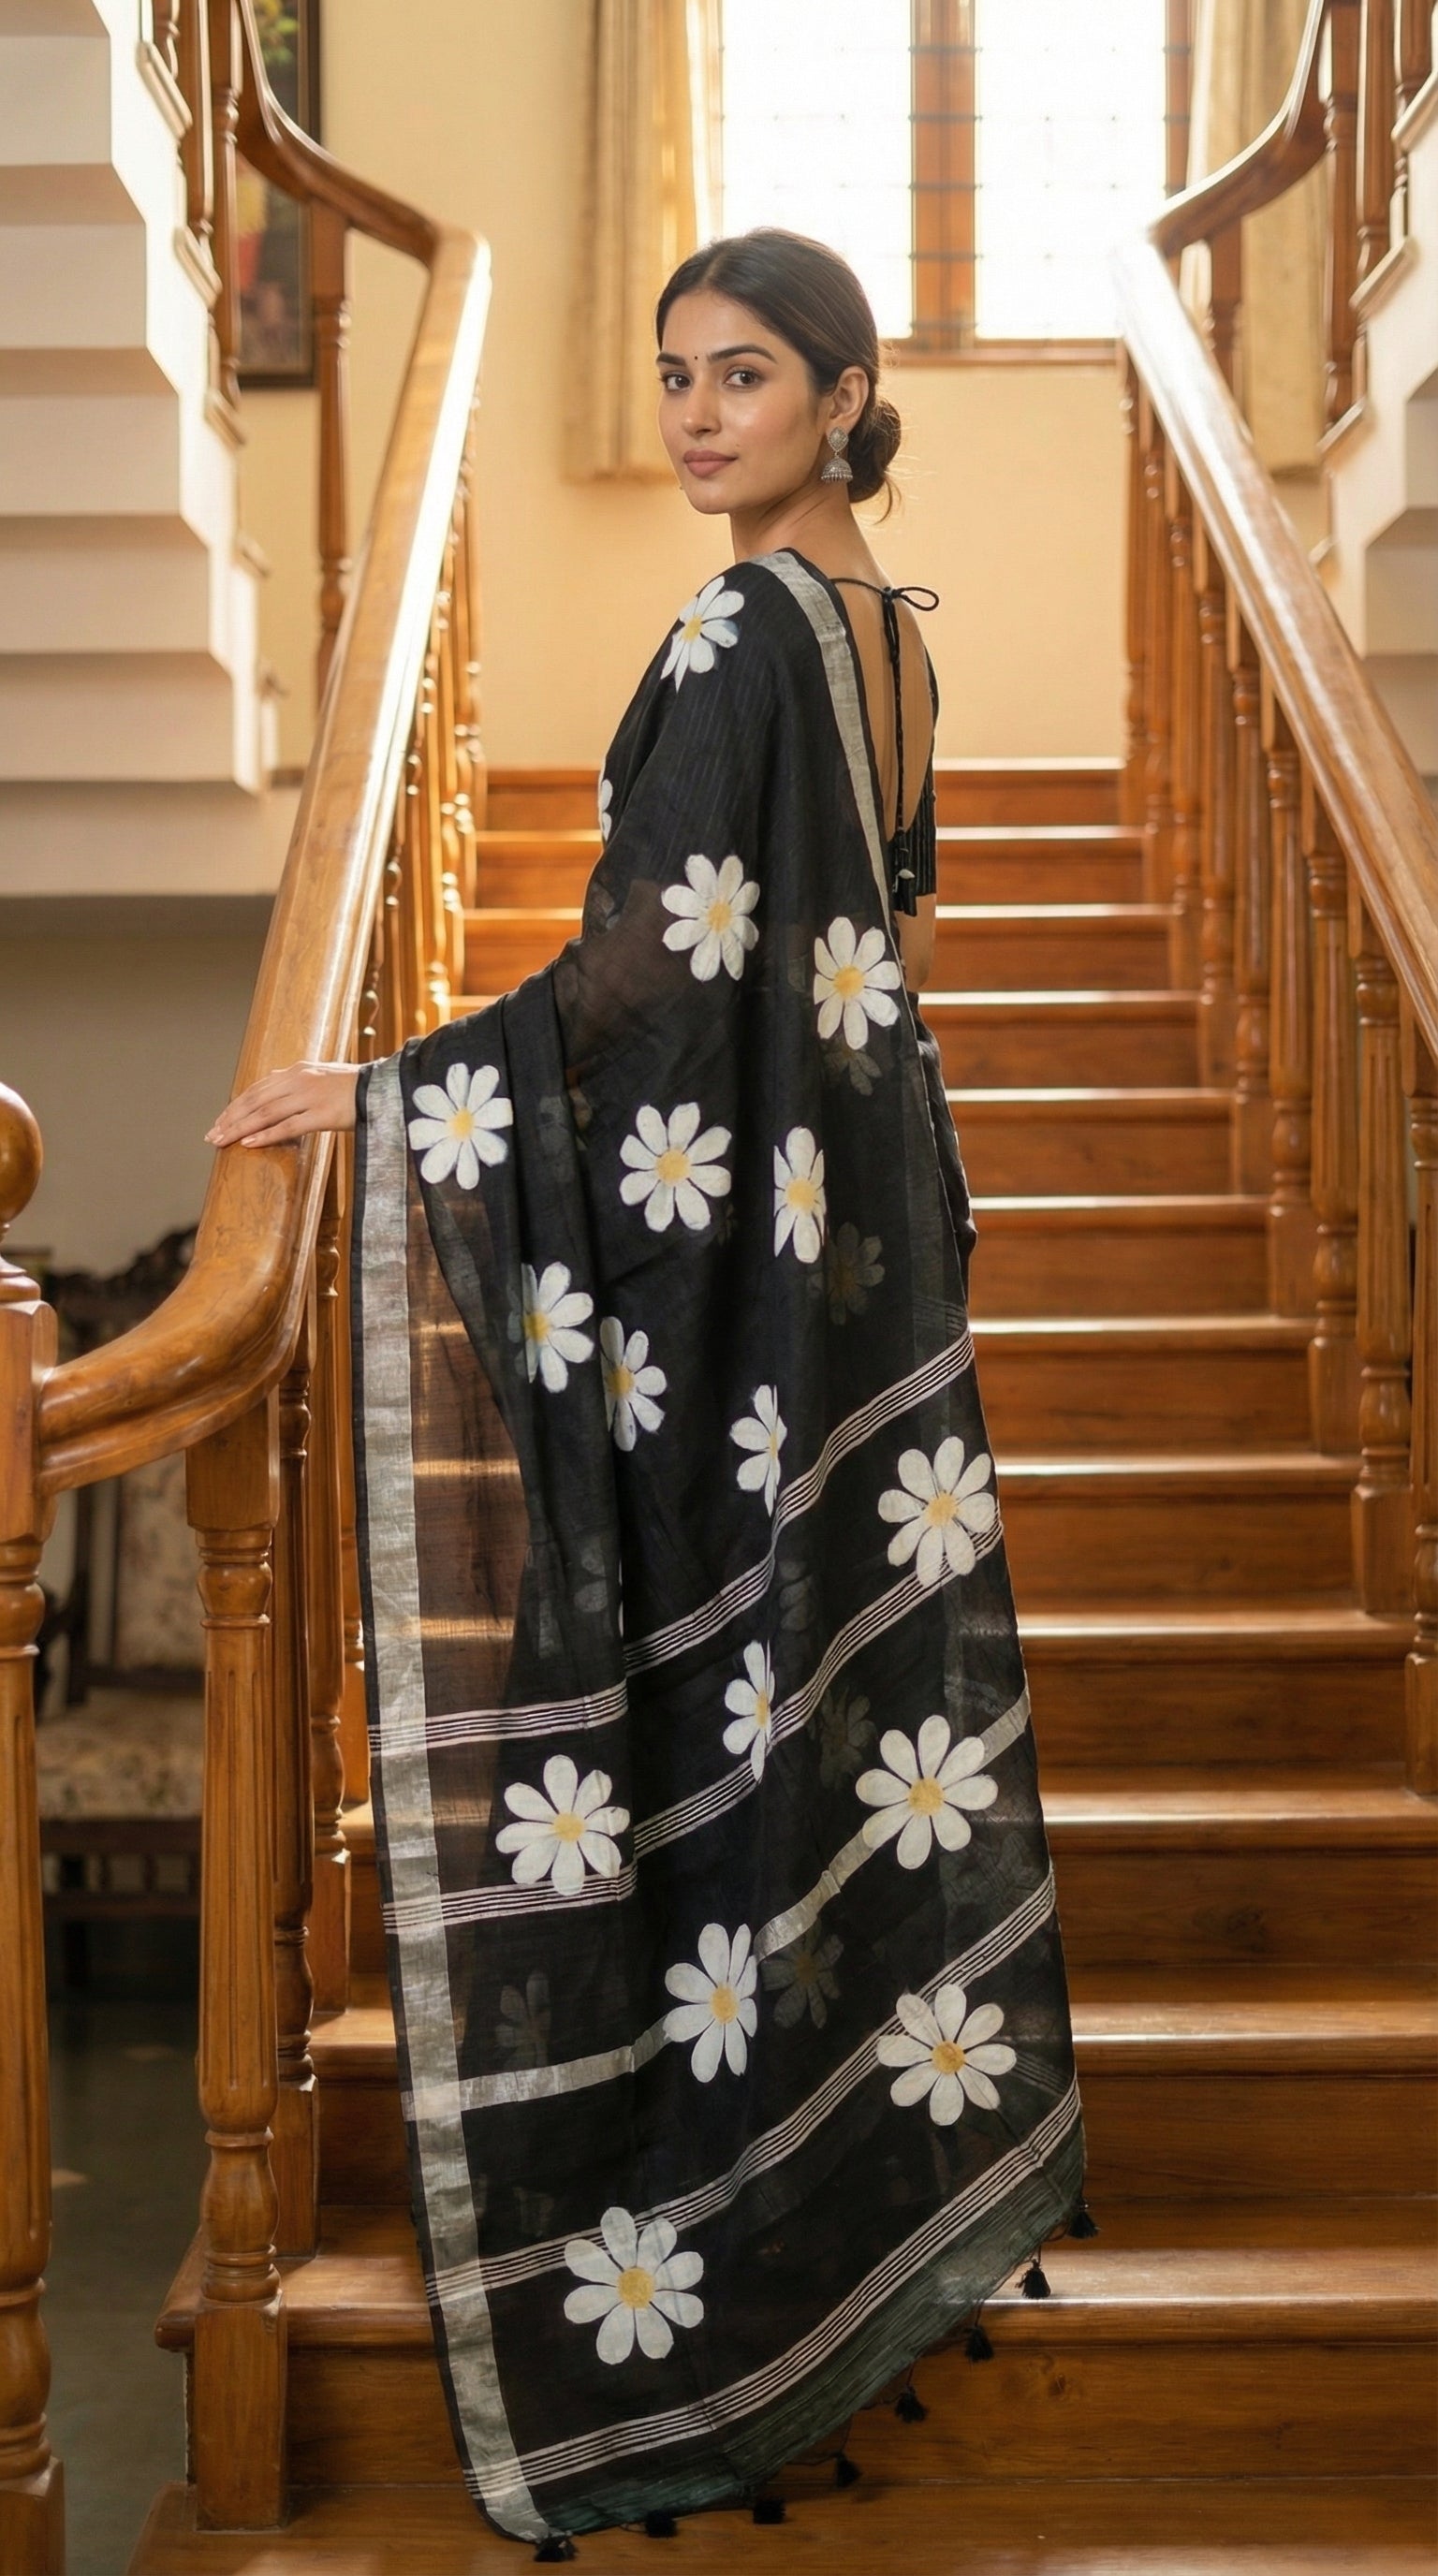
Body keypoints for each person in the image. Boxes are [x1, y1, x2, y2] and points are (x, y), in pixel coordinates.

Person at [209, 228, 1084, 2554]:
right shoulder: (896, 633)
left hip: (778, 1246)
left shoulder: (735, 629)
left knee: (714, 1724)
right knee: (827, 1705)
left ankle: (724, 2255)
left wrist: (400, 1090)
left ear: (843, 388)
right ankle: (869, 2184)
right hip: (875, 1203)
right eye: (679, 373)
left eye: (749, 375)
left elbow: (636, 979)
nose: (701, 412)